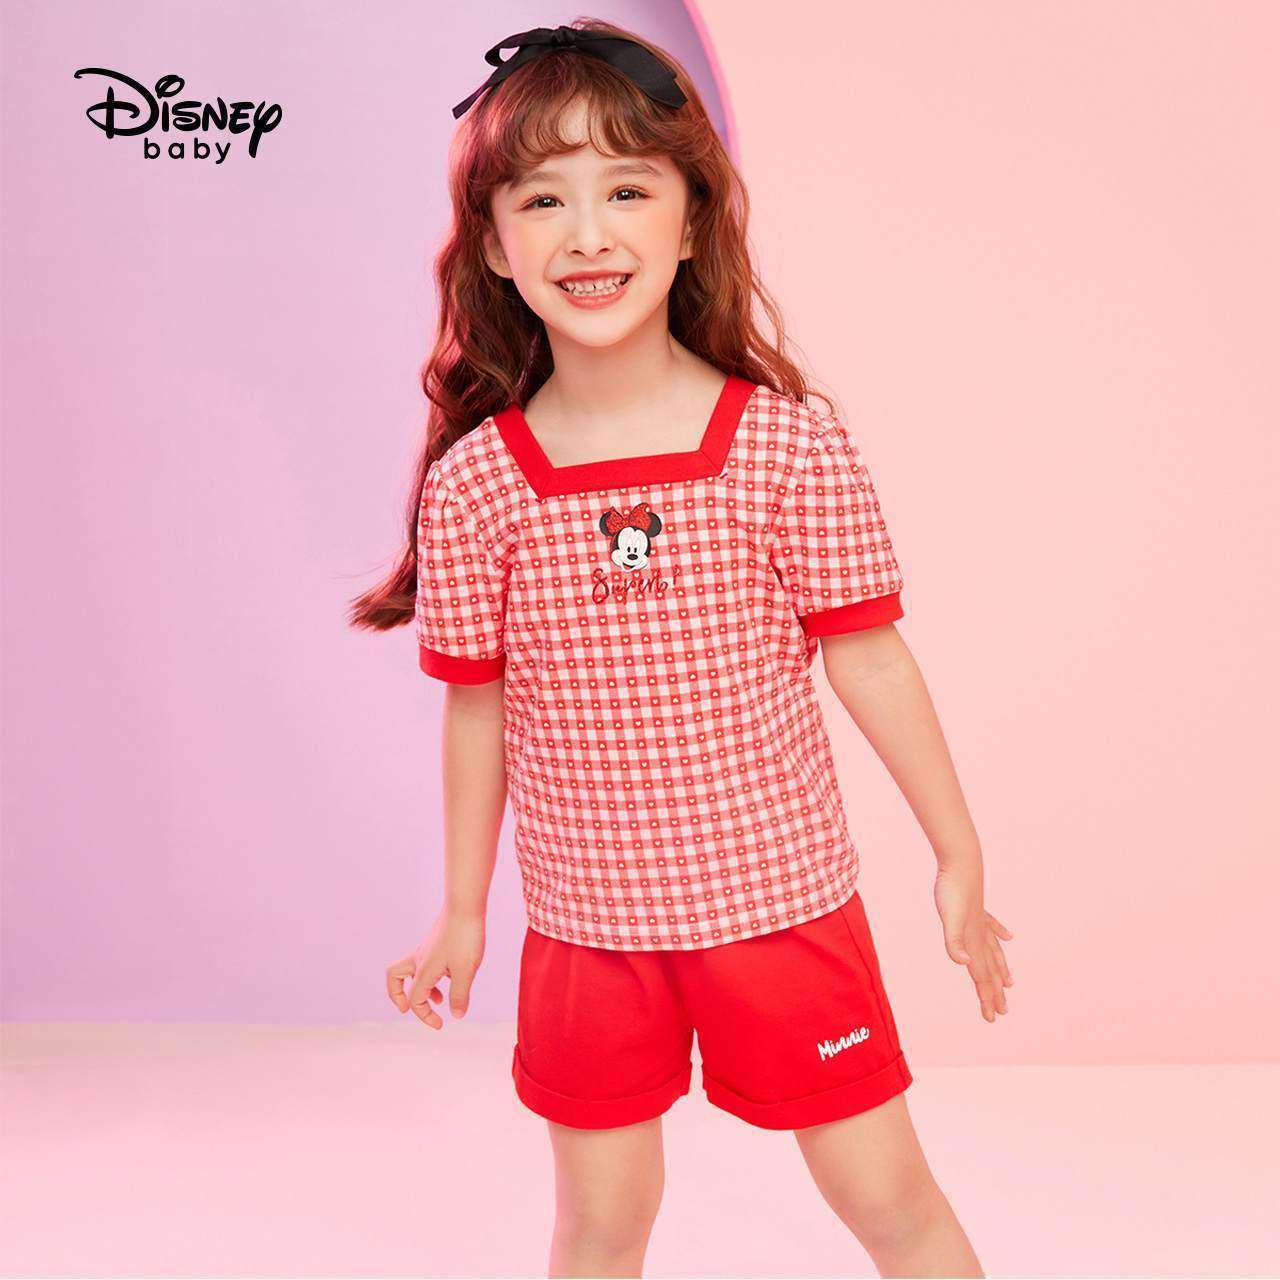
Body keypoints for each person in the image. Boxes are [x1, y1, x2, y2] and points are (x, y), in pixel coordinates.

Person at [350, 20, 1013, 1279]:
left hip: (780, 907)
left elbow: (867, 656)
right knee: (600, 1225)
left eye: (625, 189)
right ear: (491, 244)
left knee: (889, 1200)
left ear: (692, 219)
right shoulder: (479, 484)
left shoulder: (785, 446)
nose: (585, 233)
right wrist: (461, 911)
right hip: (587, 930)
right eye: (540, 198)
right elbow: (477, 708)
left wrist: (956, 847)